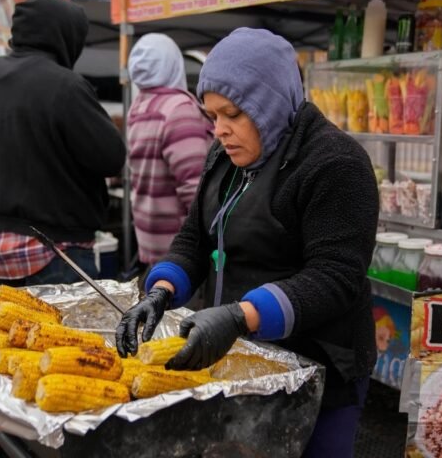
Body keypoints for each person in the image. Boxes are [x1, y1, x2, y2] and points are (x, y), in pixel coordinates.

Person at [116, 28, 379, 457]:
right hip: (245, 362)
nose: (219, 130)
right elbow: (194, 237)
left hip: (321, 368)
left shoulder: (336, 163)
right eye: (212, 115)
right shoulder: (225, 158)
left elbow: (335, 276)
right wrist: (160, 292)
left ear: (269, 103)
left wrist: (242, 316)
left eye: (233, 114)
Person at [0, 0, 126, 288]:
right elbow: (111, 157)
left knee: (8, 320)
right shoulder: (65, 86)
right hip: (54, 246)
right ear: (63, 35)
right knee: (59, 318)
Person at [127, 33, 214, 268]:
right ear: (173, 63)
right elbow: (194, 186)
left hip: (151, 239)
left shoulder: (139, 106)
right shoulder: (178, 109)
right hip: (181, 248)